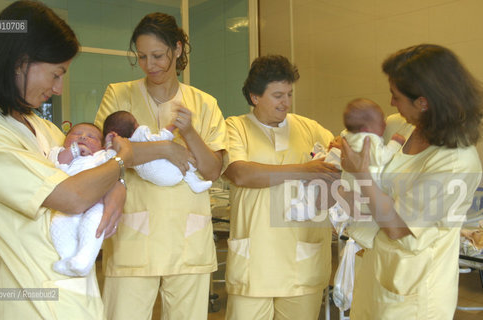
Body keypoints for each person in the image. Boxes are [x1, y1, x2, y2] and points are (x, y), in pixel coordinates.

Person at [0, 1, 143, 318]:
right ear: (20, 61)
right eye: (56, 74)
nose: (57, 89)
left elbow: (89, 170)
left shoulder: (39, 125)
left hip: (74, 290)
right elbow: (73, 196)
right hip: (33, 300)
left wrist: (117, 184)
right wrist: (121, 164)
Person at [94, 12, 228, 320]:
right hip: (131, 236)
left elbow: (212, 170)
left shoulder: (204, 103)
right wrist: (167, 148)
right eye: (141, 57)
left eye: (158, 55)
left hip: (188, 236)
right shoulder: (118, 94)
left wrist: (190, 132)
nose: (149, 64)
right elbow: (111, 154)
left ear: (178, 50)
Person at [338, 44, 482, 319]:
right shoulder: (401, 126)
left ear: (424, 102)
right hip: (375, 271)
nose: (391, 104)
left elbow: (396, 227)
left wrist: (362, 177)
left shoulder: (455, 162)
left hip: (415, 290)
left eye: (396, 96)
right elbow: (360, 140)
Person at [222, 54, 340, 320]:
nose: (286, 102)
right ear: (255, 96)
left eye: (288, 94)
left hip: (302, 261)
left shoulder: (308, 127)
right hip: (254, 262)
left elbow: (340, 156)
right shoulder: (235, 127)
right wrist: (304, 170)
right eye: (278, 95)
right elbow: (240, 173)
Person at [48, 123, 117, 277]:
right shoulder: (59, 152)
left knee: (93, 225)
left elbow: (114, 161)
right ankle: (68, 259)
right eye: (76, 134)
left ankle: (84, 259)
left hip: (95, 202)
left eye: (91, 137)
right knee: (58, 224)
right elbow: (58, 163)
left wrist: (109, 144)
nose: (83, 137)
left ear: (100, 146)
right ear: (65, 140)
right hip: (66, 203)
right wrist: (74, 151)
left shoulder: (100, 156)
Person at [339, 98, 406, 249]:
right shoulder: (369, 139)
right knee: (371, 221)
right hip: (365, 192)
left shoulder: (349, 137)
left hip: (351, 189)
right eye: (381, 122)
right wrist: (395, 143)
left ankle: (359, 237)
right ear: (366, 128)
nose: (385, 124)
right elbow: (380, 157)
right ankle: (364, 239)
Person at [103, 110, 212, 193]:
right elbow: (162, 138)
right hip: (164, 172)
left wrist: (109, 143)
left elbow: (108, 157)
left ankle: (193, 181)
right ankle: (195, 183)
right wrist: (172, 126)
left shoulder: (121, 149)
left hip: (152, 177)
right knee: (188, 164)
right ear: (136, 125)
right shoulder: (142, 136)